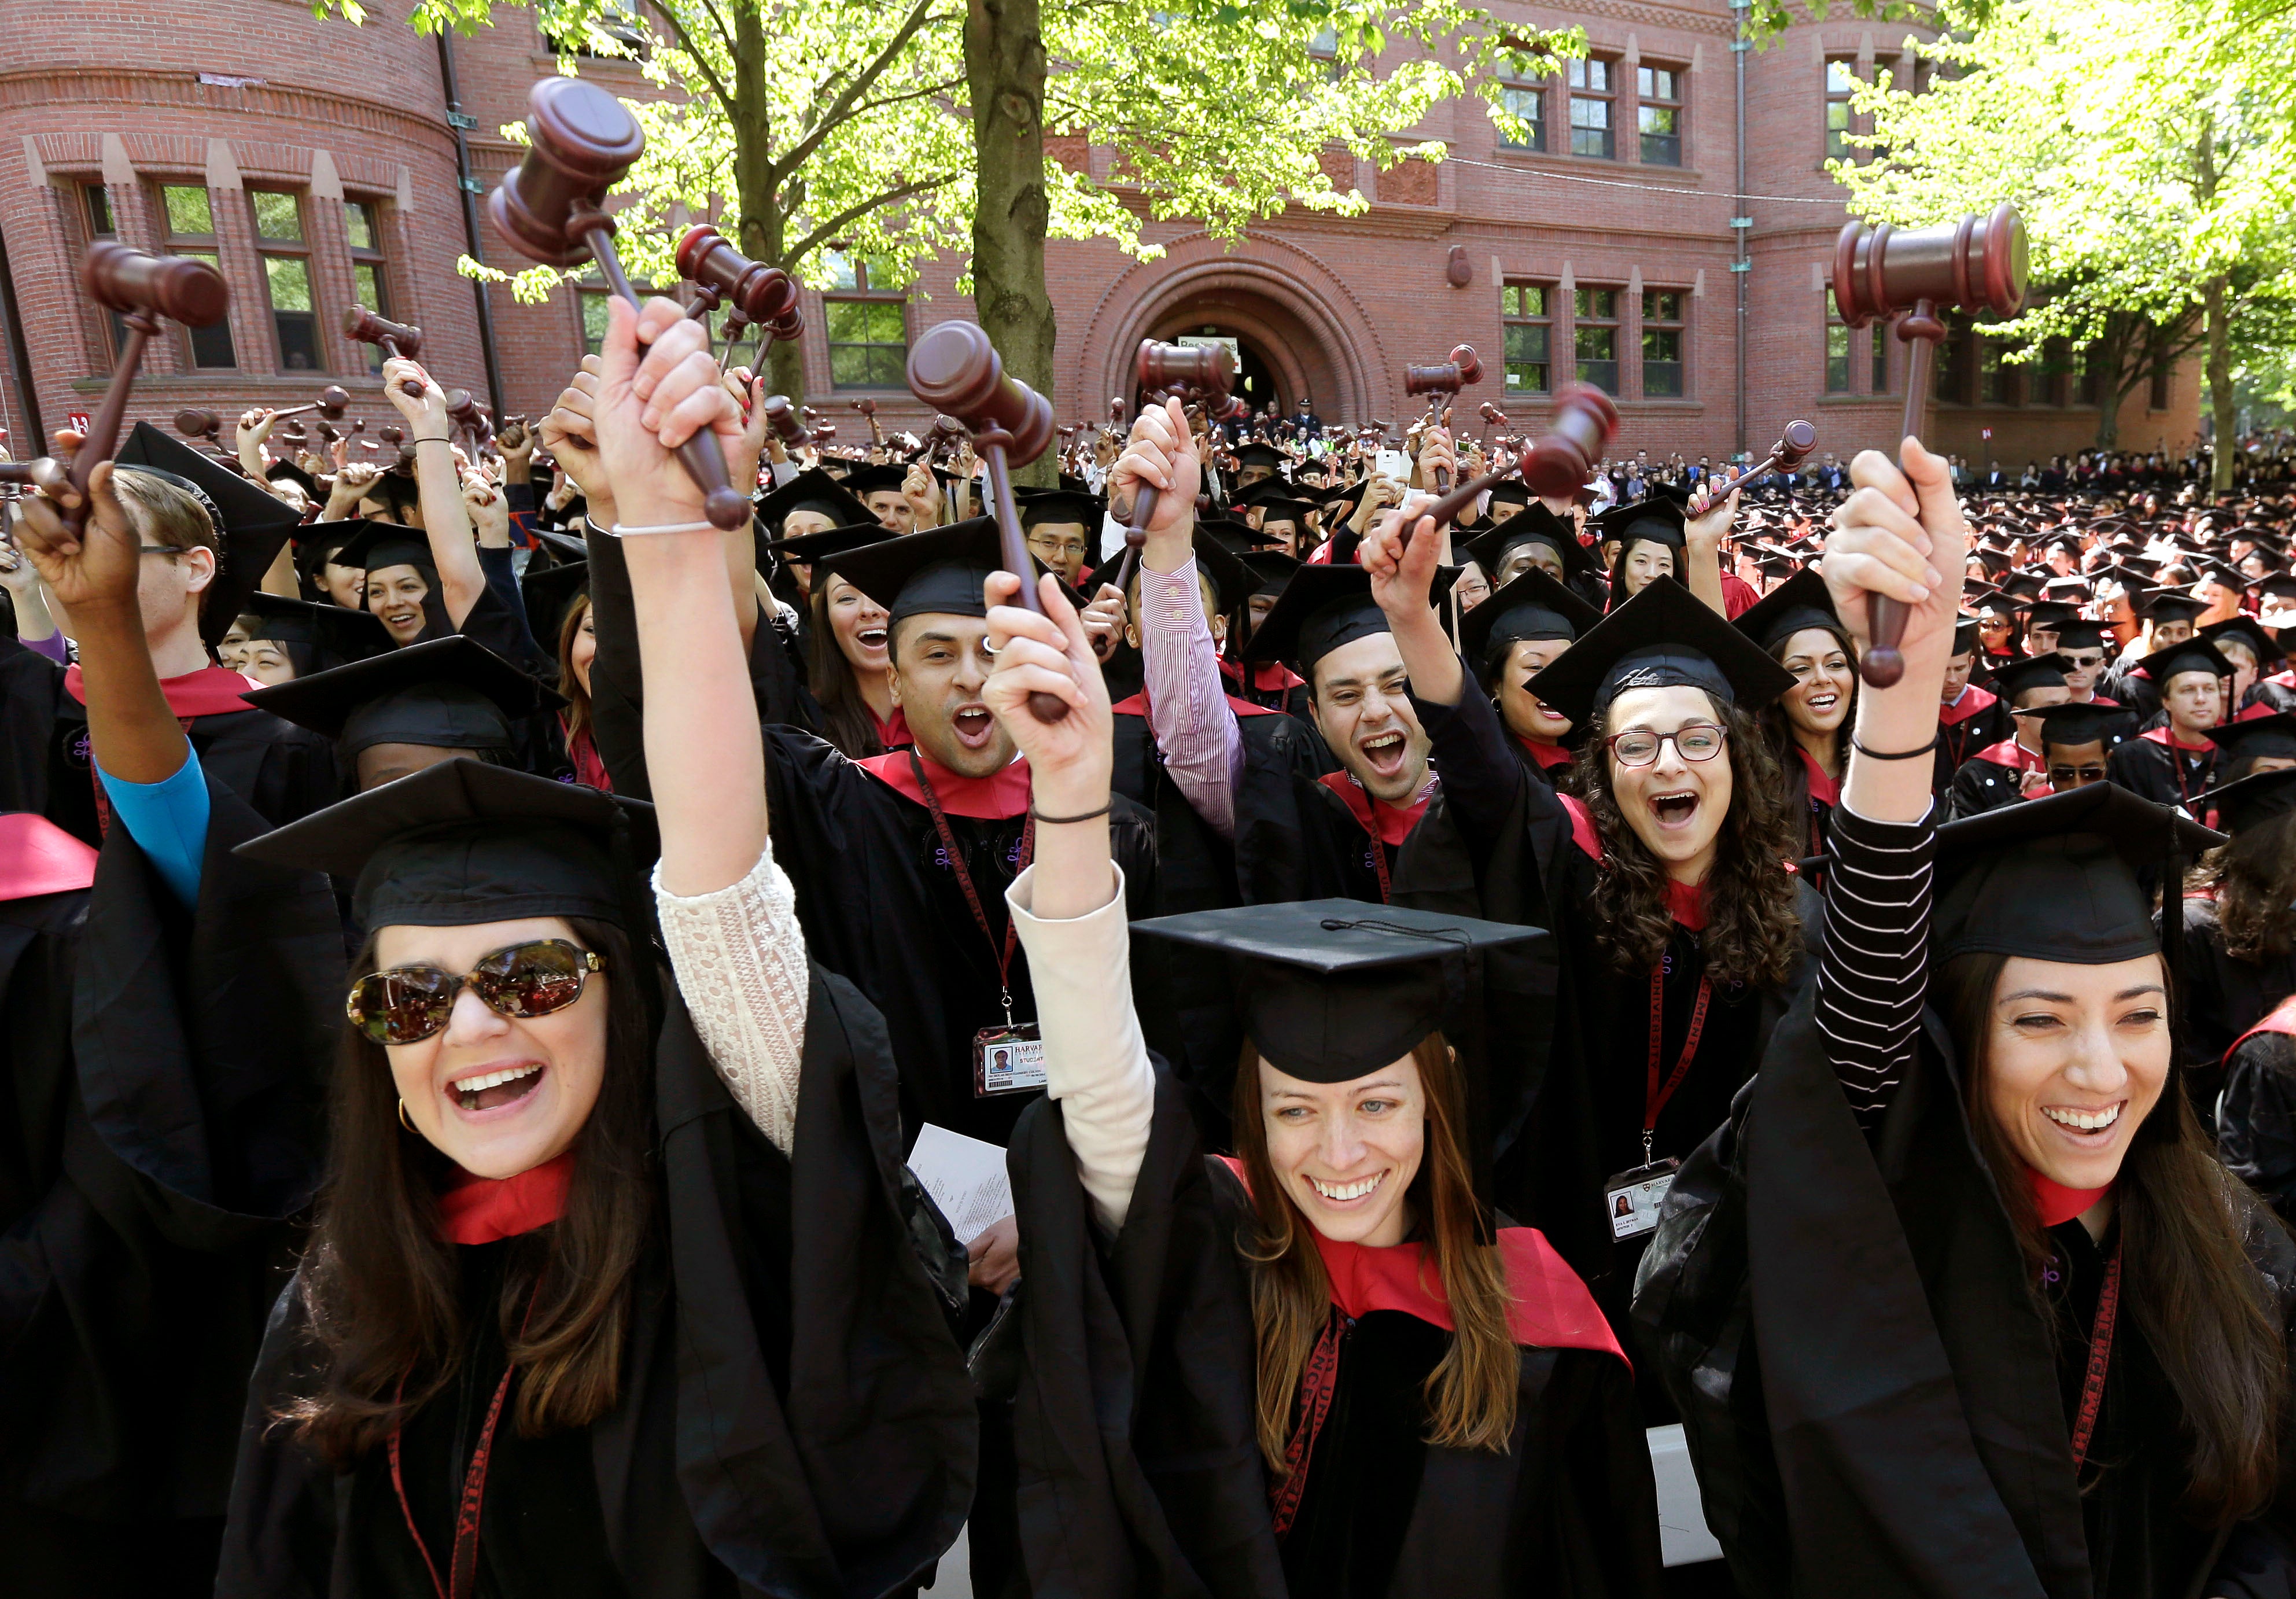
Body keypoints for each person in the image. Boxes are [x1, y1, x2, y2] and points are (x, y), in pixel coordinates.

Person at [215, 294, 975, 1597]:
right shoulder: (336, 1313)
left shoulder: (722, 1228)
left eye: (532, 976)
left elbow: (721, 892)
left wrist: (663, 531)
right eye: (408, 998)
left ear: (628, 991)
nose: (469, 1026)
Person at [1638, 437, 2296, 1599]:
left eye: (2136, 1014)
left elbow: (2270, 1513)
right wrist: (1897, 702)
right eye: (2039, 1018)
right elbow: (1860, 1014)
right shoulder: (1894, 1225)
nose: (2100, 1065)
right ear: (1959, 1034)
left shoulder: (2228, 1245)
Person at [967, 564, 1664, 1597]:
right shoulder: (1209, 1241)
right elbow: (1100, 1080)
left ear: (1439, 1098)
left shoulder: (1537, 1315)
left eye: (1377, 1101)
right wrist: (1068, 802)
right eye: (1293, 1108)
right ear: (1251, 1114)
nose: (1336, 1154)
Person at [0, 447, 341, 1599]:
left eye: (107, 538)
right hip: (42, 1235)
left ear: (197, 567)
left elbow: (264, 959)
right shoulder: (33, 732)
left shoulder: (288, 749)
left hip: (211, 1201)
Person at [1368, 511, 1810, 1376]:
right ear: (1602, 769)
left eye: (1696, 739)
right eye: (1635, 746)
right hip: (1568, 1224)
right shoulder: (1567, 858)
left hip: (1728, 1247)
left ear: (1737, 757)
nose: (1669, 765)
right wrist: (1412, 618)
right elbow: (1480, 765)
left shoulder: (1788, 905)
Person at [0, 424, 338, 843]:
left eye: (109, 546)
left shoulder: (283, 737)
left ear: (195, 568)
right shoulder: (27, 705)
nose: (70, 570)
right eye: (57, 547)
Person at [2177, 764, 2296, 1097]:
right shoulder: (2194, 927)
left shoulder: (2287, 913)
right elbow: (2180, 1056)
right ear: (2271, 851)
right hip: (2225, 1119)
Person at [1734, 569, 1855, 864]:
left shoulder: (1882, 770)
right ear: (1776, 691)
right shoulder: (1758, 785)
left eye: (1836, 664)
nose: (1822, 678)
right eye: (1800, 669)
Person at [1455, 565, 1598, 790]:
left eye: (1565, 663)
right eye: (1535, 666)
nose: (1555, 680)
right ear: (1496, 686)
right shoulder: (1487, 779)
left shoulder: (1600, 762)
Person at [2106, 636, 2228, 809]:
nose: (2201, 699)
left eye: (2209, 689)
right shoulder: (2133, 759)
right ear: (2166, 701)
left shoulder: (2237, 756)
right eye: (2188, 690)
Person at [1948, 653, 2075, 817]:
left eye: (2068, 706)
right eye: (2050, 709)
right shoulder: (1978, 774)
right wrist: (2024, 801)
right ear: (2019, 715)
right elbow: (1966, 837)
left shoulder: (2090, 762)